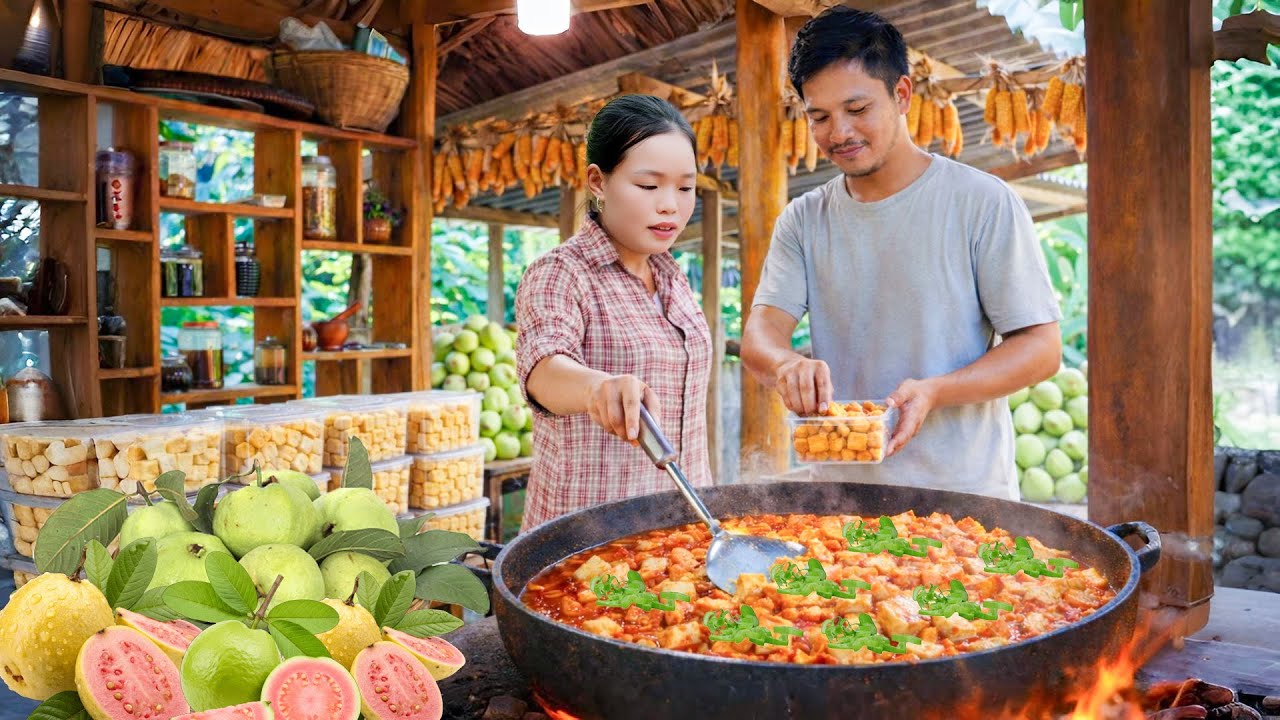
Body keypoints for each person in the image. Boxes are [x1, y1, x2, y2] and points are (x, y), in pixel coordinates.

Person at [741, 7, 1062, 499]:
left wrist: (935, 392)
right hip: (842, 501)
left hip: (965, 502)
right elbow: (761, 334)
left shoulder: (982, 202)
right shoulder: (803, 220)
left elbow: (1041, 349)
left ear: (903, 94)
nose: (839, 133)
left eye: (857, 109)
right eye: (819, 117)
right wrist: (784, 365)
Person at [515, 94, 713, 530]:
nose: (670, 205)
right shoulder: (561, 273)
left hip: (686, 530)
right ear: (598, 182)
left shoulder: (674, 277)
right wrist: (596, 389)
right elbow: (544, 368)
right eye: (649, 185)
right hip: (586, 545)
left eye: (685, 187)